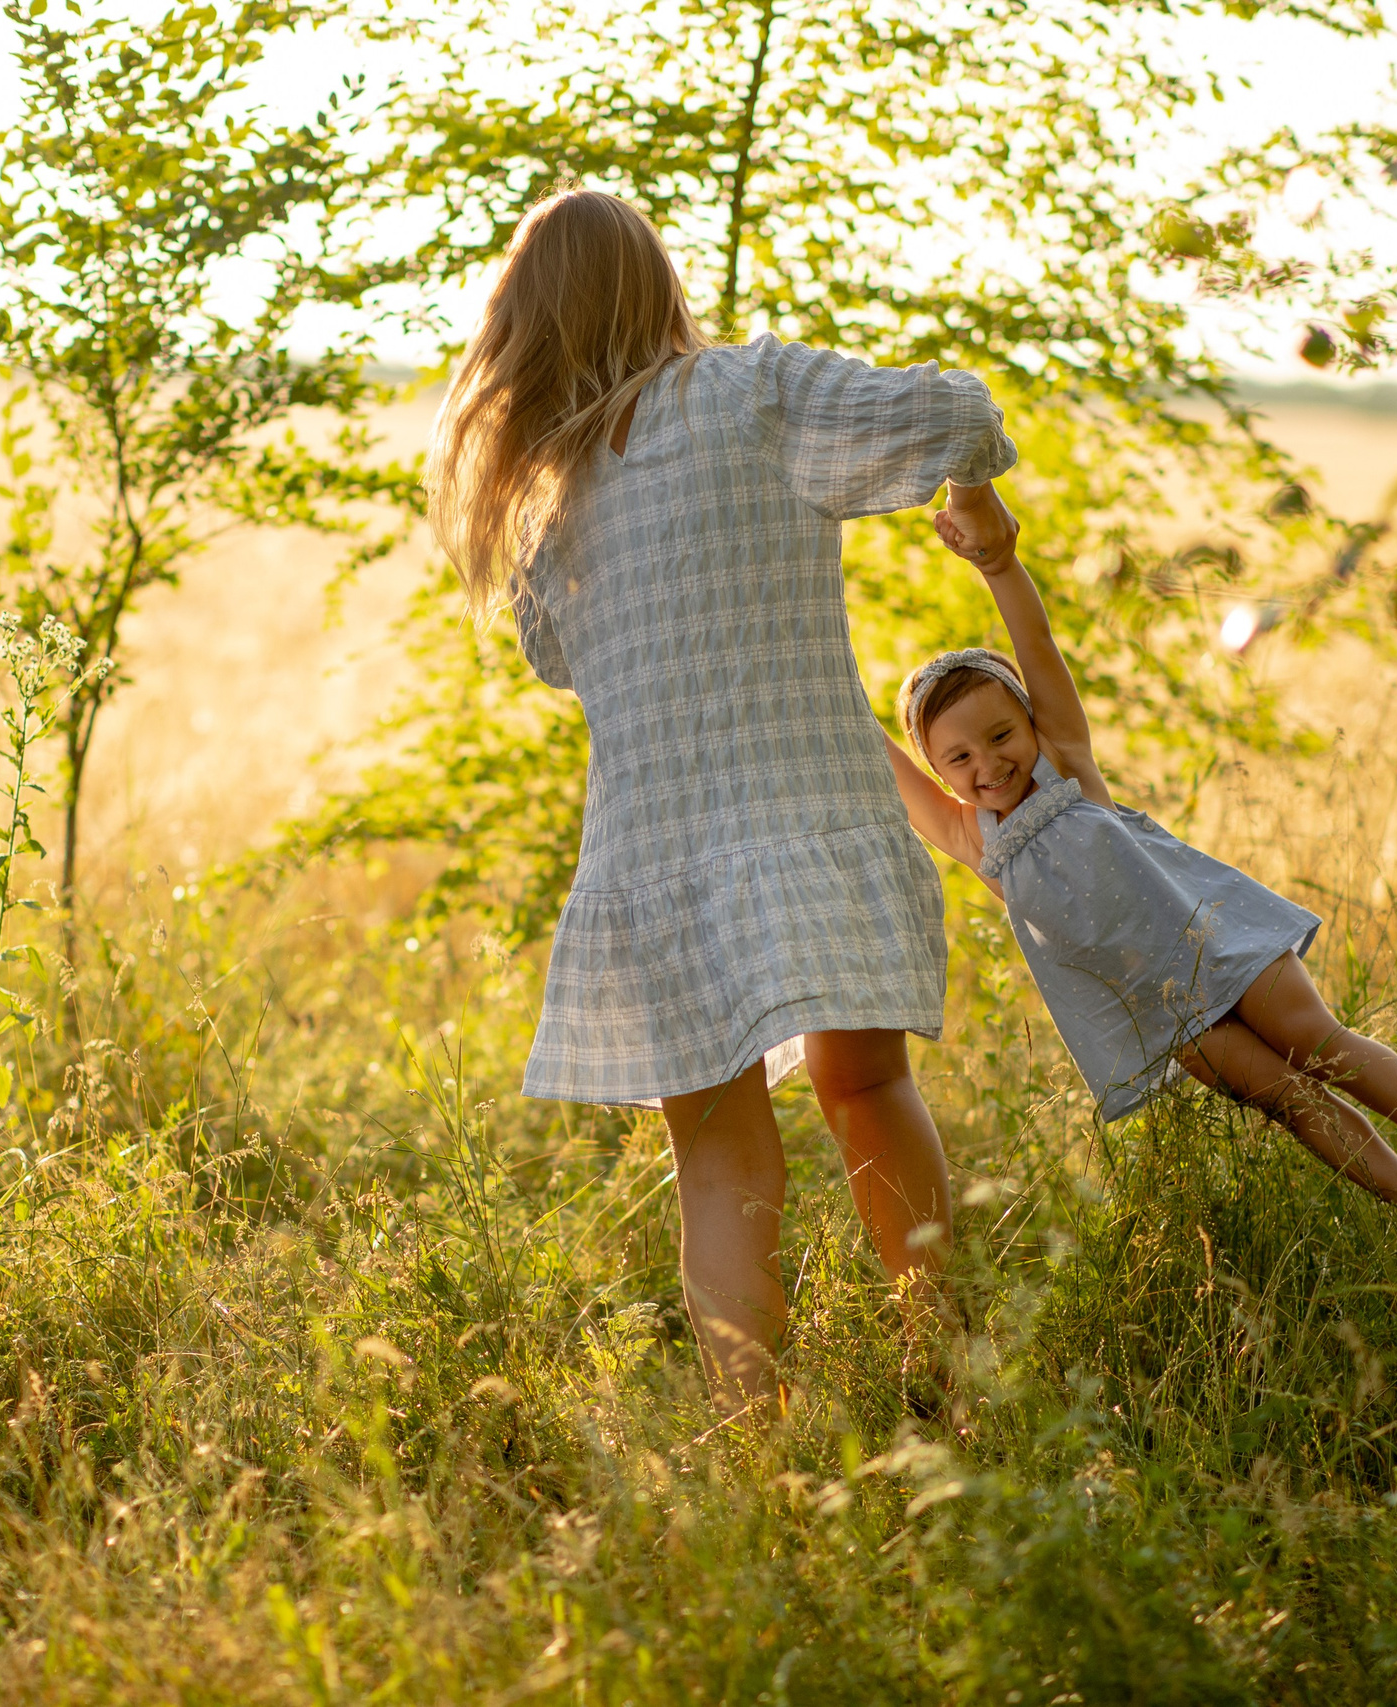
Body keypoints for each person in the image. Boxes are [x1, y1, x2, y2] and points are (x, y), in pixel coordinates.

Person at [427, 188, 1019, 1409]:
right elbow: (958, 409)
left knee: (714, 1160)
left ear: (527, 323)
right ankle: (939, 1368)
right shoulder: (756, 394)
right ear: (658, 285)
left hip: (657, 862)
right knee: (868, 1089)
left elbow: (555, 660)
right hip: (813, 823)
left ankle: (756, 1437)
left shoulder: (552, 495)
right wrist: (972, 510)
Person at [886, 485, 1397, 1262]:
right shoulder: (974, 839)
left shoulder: (1063, 767)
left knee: (1314, 1041)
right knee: (1284, 1098)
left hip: (1214, 937)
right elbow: (876, 757)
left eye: (1002, 734)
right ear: (939, 772)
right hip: (1164, 1008)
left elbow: (1034, 639)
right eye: (960, 758)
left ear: (1032, 724)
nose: (989, 762)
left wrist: (999, 563)